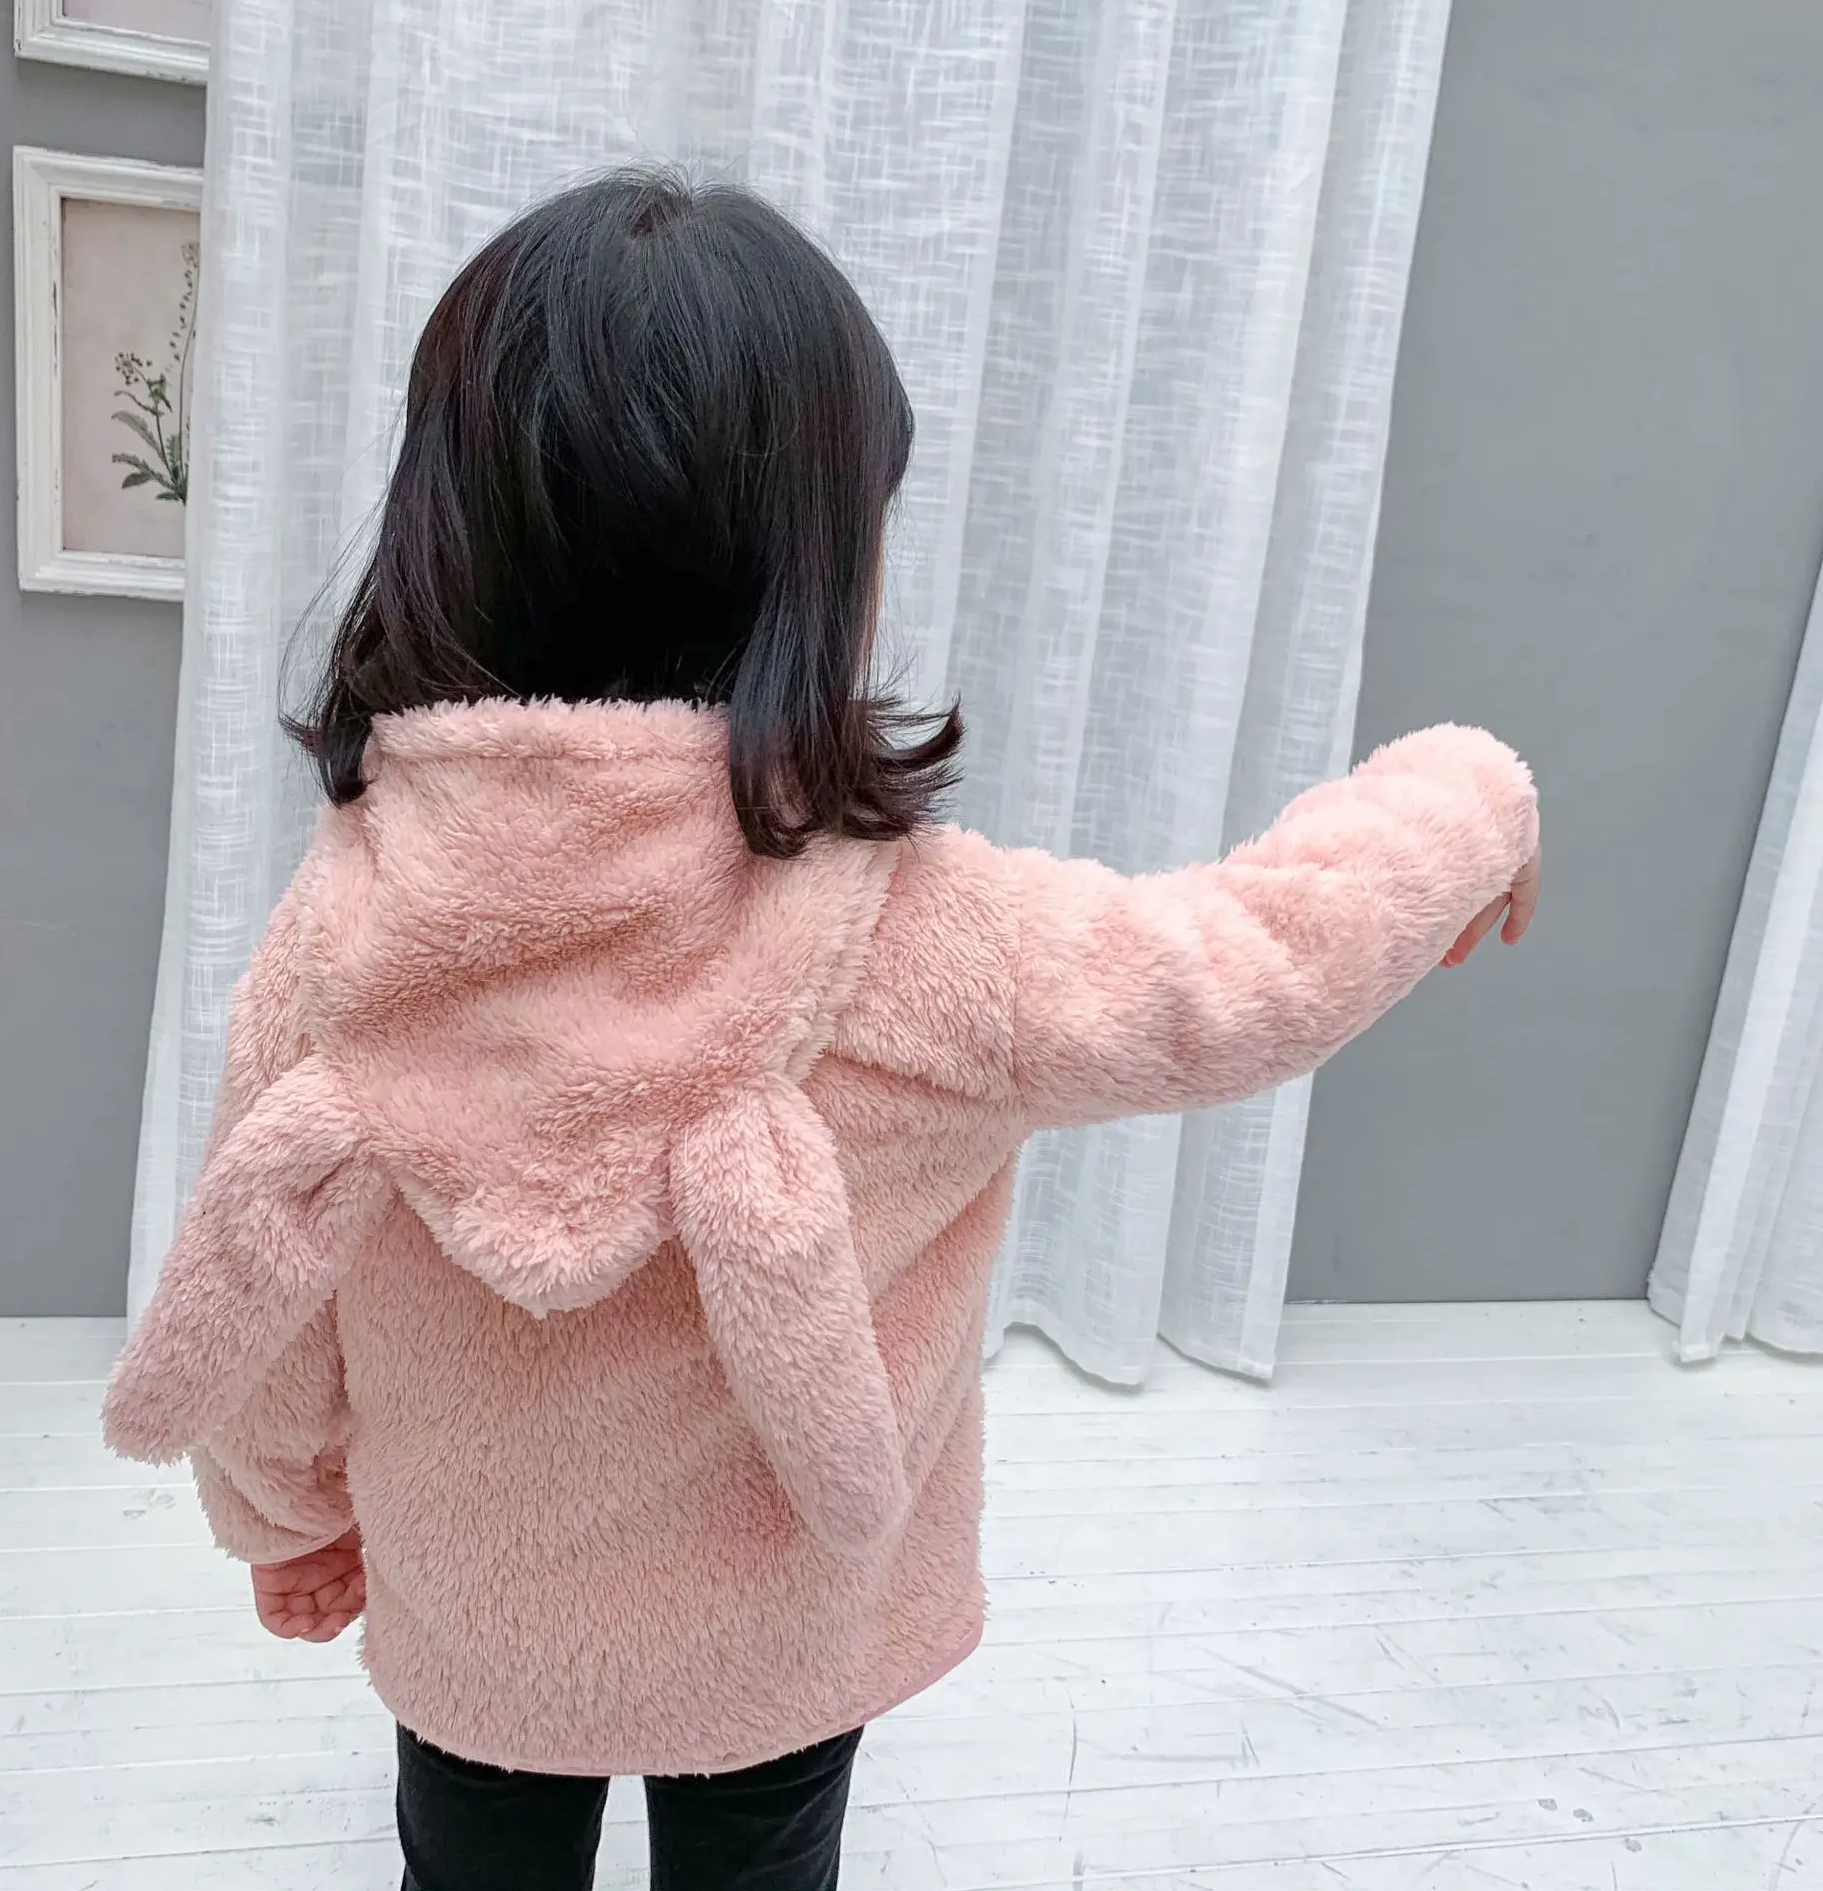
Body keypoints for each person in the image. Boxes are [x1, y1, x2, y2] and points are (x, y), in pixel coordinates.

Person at [102, 168, 1541, 1891]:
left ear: (446, 529)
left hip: (473, 1612)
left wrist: (282, 1515)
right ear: (822, 560)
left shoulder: (348, 929)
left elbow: (263, 1289)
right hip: (784, 1622)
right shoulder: (934, 935)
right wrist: (1466, 799)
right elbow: (1252, 972)